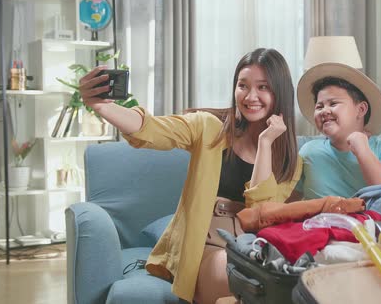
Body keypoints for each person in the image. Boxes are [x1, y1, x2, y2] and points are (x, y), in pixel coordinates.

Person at [79, 48, 302, 303]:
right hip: (205, 241)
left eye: (263, 87)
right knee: (235, 273)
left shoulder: (291, 161)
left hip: (252, 243)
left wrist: (265, 145)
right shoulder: (209, 127)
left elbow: (260, 213)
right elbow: (151, 129)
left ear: (280, 93)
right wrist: (101, 106)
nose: (251, 96)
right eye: (243, 85)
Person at [290, 63, 381, 201]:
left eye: (333, 104)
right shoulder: (308, 151)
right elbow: (289, 202)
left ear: (361, 110)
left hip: (367, 222)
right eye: (319, 106)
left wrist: (363, 152)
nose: (324, 111)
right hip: (318, 221)